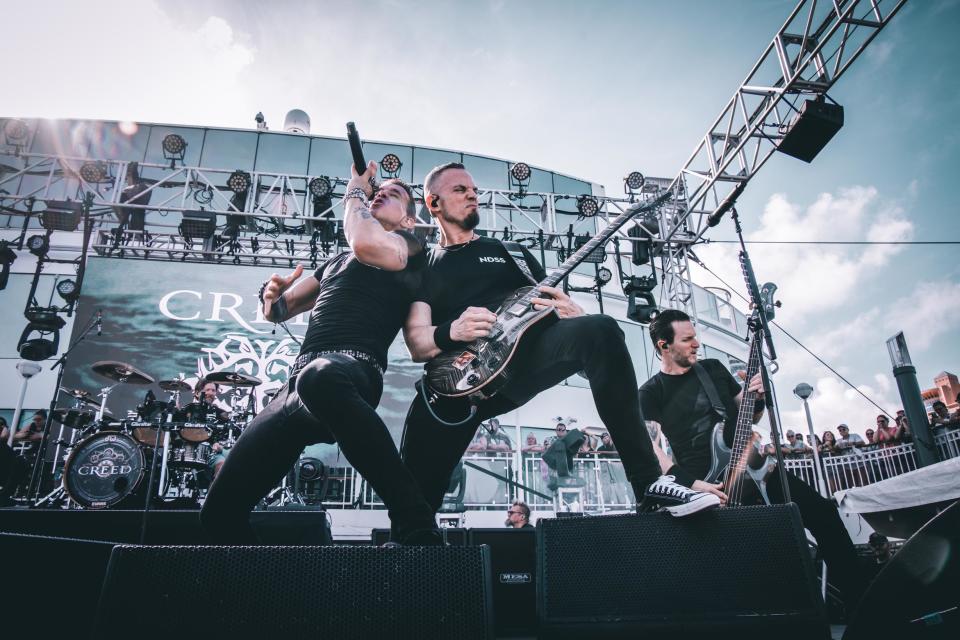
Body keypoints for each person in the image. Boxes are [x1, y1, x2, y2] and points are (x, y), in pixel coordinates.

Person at [397, 163, 718, 522]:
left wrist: (567, 309)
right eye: (460, 189)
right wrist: (452, 331)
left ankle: (648, 484)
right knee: (416, 496)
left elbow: (547, 300)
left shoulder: (510, 252)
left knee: (600, 329)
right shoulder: (423, 263)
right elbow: (417, 344)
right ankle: (410, 556)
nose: (473, 194)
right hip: (454, 385)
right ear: (433, 203)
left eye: (473, 189)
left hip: (518, 366)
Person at [201, 162, 438, 545]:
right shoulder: (335, 262)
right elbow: (280, 312)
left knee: (321, 376)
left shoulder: (407, 247)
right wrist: (271, 297)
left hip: (353, 372)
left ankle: (415, 519)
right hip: (297, 386)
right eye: (380, 190)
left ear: (409, 220)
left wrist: (355, 192)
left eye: (394, 194)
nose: (381, 193)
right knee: (218, 514)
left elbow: (363, 241)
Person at [637, 309, 864, 607]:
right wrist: (691, 485)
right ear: (663, 345)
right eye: (688, 338)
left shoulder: (713, 370)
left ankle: (862, 602)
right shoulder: (651, 392)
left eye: (696, 337)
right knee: (737, 561)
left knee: (823, 514)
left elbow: (749, 416)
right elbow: (652, 451)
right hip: (709, 486)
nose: (696, 344)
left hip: (757, 468)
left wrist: (756, 396)